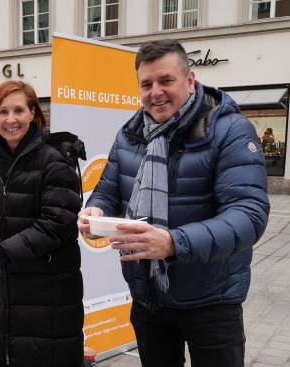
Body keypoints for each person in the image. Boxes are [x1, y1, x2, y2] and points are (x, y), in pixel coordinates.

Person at [77, 39, 269, 367]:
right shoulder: (131, 134)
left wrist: (173, 242)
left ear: (189, 80)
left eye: (166, 81)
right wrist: (95, 212)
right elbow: (107, 192)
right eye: (147, 84)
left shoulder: (229, 130)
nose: (156, 92)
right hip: (148, 295)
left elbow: (248, 214)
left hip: (212, 298)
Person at [0, 80, 85, 367]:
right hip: (10, 293)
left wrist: (1, 251)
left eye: (18, 110)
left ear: (33, 113)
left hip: (50, 292)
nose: (10, 119)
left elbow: (56, 224)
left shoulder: (55, 159)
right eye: (3, 111)